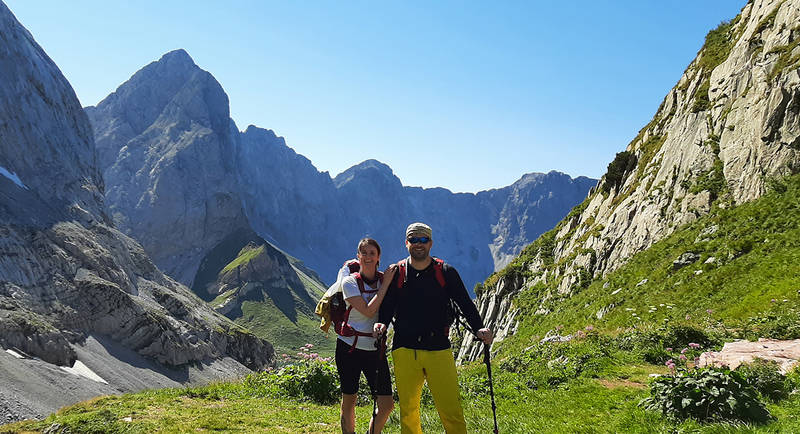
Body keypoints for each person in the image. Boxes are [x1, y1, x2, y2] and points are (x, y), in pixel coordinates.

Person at [374, 222, 492, 434]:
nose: (418, 244)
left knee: (451, 409)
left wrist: (479, 328)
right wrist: (381, 322)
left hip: (438, 348)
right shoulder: (398, 273)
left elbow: (465, 303)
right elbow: (388, 305)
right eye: (414, 240)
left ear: (431, 243)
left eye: (423, 240)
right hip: (404, 349)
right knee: (408, 411)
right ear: (406, 243)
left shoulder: (446, 272)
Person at [335, 238, 396, 434]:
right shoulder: (349, 282)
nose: (368, 257)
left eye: (372, 253)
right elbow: (368, 311)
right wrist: (385, 284)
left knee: (386, 404)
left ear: (378, 257)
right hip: (349, 348)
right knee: (349, 400)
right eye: (364, 253)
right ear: (358, 256)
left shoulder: (383, 279)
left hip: (375, 349)